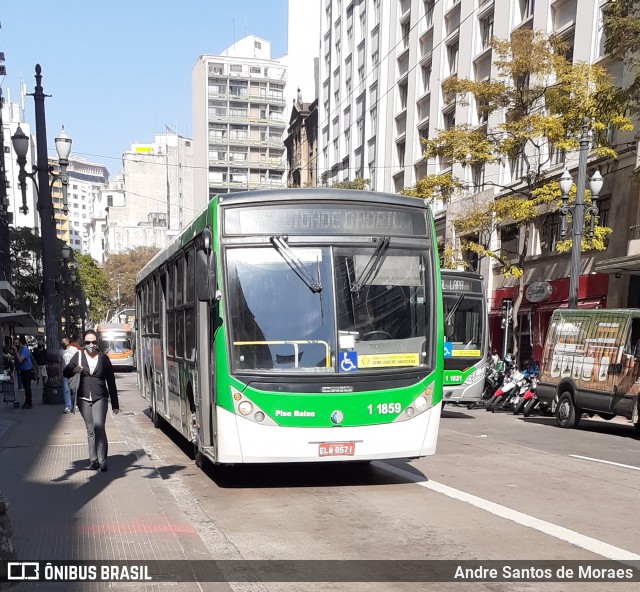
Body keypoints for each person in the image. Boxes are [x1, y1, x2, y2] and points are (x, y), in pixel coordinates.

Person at [63, 329, 120, 472]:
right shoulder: (79, 356)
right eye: (88, 342)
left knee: (99, 427)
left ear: (98, 342)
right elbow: (65, 372)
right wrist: (75, 369)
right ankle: (93, 460)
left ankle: (103, 460)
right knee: (90, 429)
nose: (91, 345)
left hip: (100, 396)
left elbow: (111, 382)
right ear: (84, 342)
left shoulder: (104, 359)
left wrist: (115, 404)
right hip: (83, 397)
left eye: (93, 342)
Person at [12, 336, 33, 409]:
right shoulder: (20, 350)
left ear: (20, 343)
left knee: (27, 387)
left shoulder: (24, 350)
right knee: (25, 387)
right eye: (14, 344)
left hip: (27, 371)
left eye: (16, 343)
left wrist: (16, 351)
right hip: (22, 370)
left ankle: (29, 402)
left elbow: (20, 359)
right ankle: (27, 401)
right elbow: (16, 358)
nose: (15, 345)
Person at [58, 337, 79, 414]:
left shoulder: (74, 350)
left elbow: (78, 360)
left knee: (74, 389)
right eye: (61, 342)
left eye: (64, 342)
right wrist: (59, 373)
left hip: (74, 372)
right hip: (64, 373)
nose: (62, 343)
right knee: (66, 390)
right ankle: (68, 406)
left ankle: (75, 404)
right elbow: (59, 364)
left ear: (67, 342)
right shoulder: (60, 352)